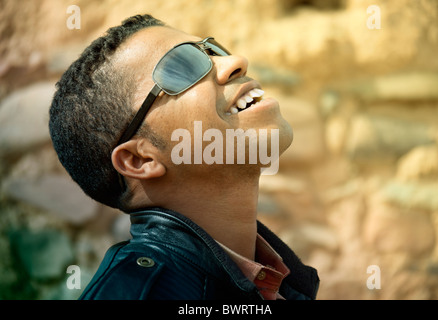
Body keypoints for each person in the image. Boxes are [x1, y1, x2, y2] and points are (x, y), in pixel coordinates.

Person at [49, 14, 319, 300]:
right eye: (183, 66)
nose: (235, 61)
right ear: (140, 160)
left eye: (212, 49)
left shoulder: (280, 285)